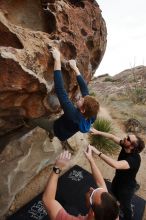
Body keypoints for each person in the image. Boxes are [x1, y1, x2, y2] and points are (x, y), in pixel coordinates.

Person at [28, 48, 99, 145]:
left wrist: (57, 59)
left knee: (33, 119)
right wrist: (75, 68)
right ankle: (52, 135)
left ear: (83, 110)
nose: (80, 98)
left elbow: (60, 90)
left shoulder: (73, 115)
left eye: (81, 100)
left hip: (56, 128)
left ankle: (46, 130)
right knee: (62, 126)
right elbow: (84, 89)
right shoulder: (92, 115)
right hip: (66, 131)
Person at [42, 146, 119, 220]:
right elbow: (101, 183)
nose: (91, 188)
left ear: (93, 213)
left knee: (69, 209)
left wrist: (57, 168)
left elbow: (48, 200)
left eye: (92, 194)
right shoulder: (112, 214)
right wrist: (91, 160)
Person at [90, 127, 145, 220]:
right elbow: (112, 137)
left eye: (128, 139)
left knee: (126, 206)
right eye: (127, 136)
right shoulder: (125, 146)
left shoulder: (134, 160)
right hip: (117, 180)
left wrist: (97, 152)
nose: (125, 138)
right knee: (114, 195)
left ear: (132, 146)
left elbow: (115, 164)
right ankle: (118, 204)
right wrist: (97, 132)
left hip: (127, 187)